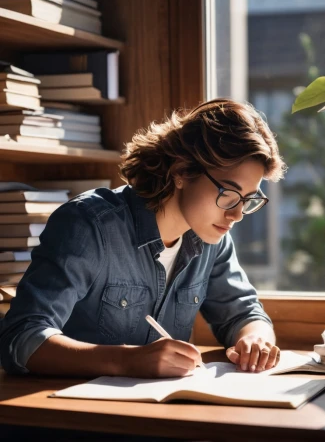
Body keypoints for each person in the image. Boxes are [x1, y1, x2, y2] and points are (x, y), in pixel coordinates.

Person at [0, 98, 287, 378]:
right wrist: (127, 360)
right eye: (228, 194)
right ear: (181, 172)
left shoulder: (212, 238)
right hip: (68, 412)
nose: (237, 214)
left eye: (248, 199)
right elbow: (21, 339)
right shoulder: (88, 225)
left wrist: (256, 340)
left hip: (158, 413)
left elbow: (244, 313)